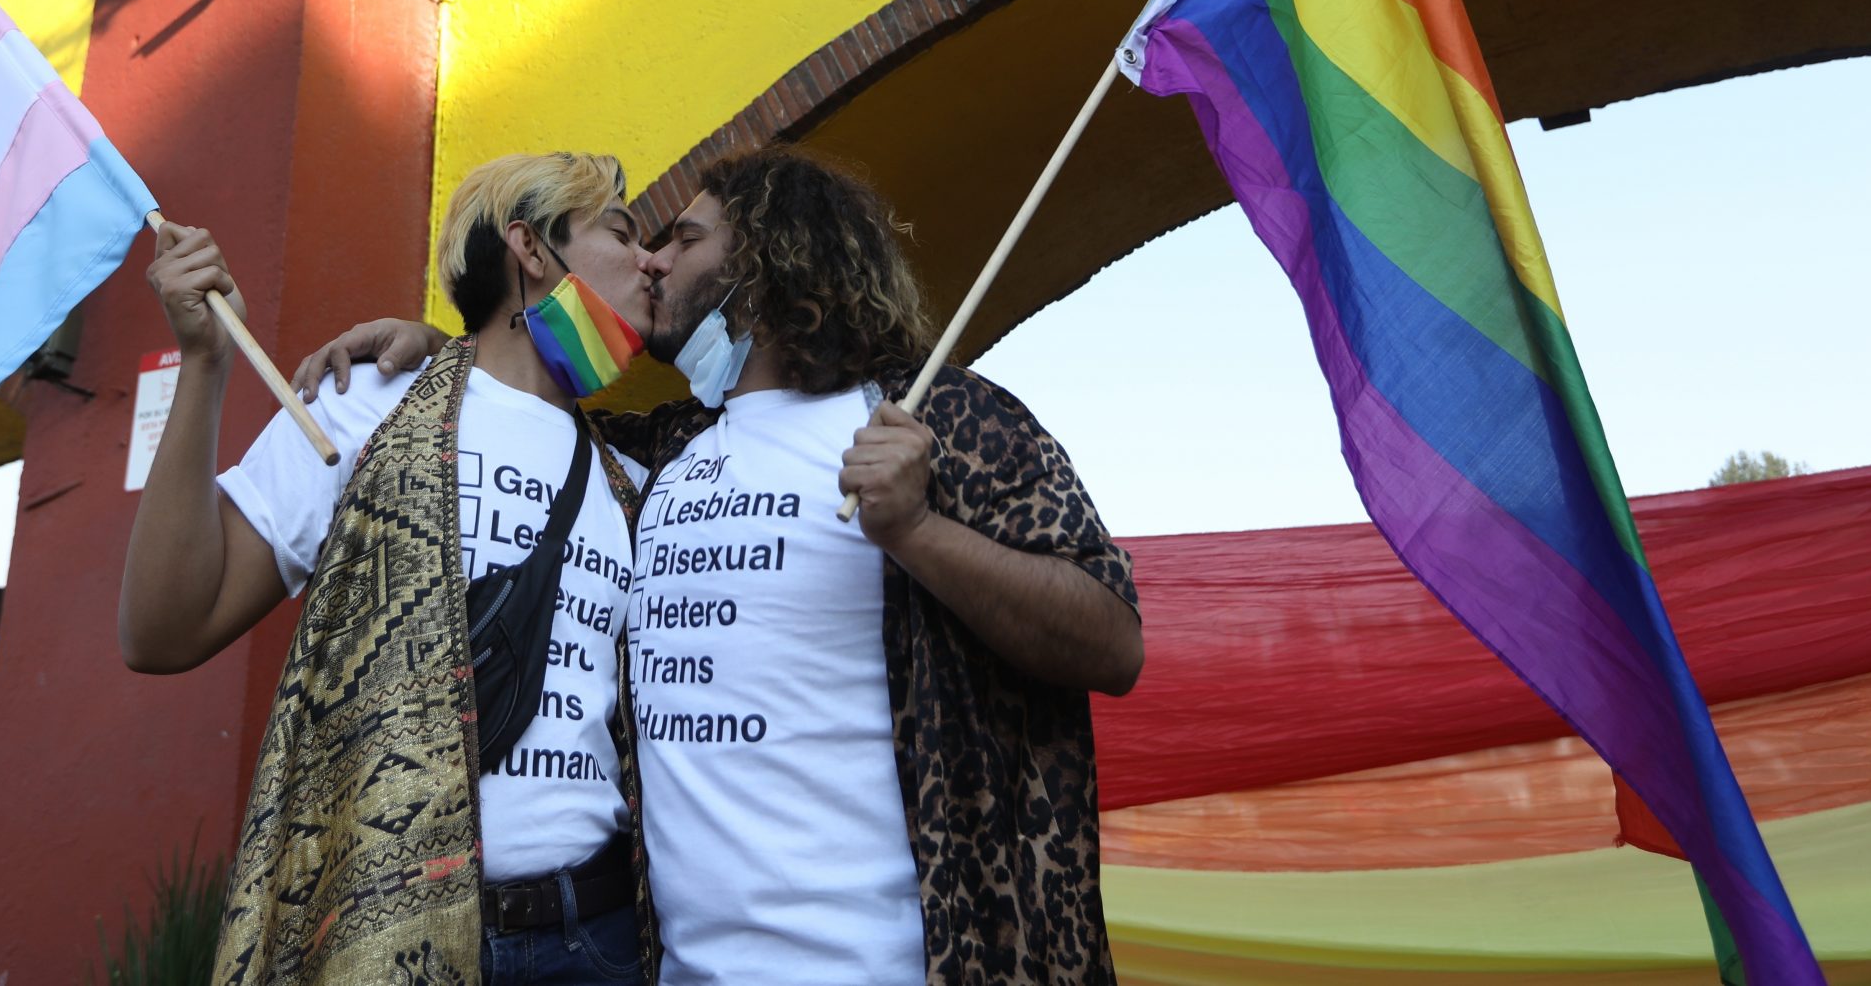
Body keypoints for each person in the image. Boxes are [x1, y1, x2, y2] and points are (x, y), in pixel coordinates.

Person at [298, 145, 1144, 986]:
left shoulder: (932, 415)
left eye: (685, 240)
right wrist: (450, 352)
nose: (652, 261)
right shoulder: (655, 452)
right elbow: (515, 400)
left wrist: (918, 530)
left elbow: (1111, 641)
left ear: (770, 260)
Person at [122, 151, 665, 986]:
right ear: (530, 247)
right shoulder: (370, 403)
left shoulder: (633, 477)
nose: (649, 262)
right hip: (385, 939)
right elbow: (164, 629)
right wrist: (204, 366)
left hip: (592, 942)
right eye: (622, 233)